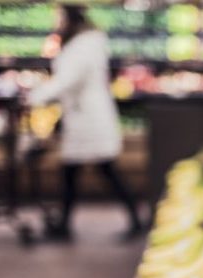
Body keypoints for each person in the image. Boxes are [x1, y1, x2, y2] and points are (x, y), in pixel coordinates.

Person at [28, 4, 143, 241]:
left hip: (89, 118)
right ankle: (66, 224)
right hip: (83, 116)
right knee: (74, 171)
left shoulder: (83, 46)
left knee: (103, 170)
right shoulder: (87, 43)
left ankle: (133, 219)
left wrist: (36, 95)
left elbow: (68, 80)